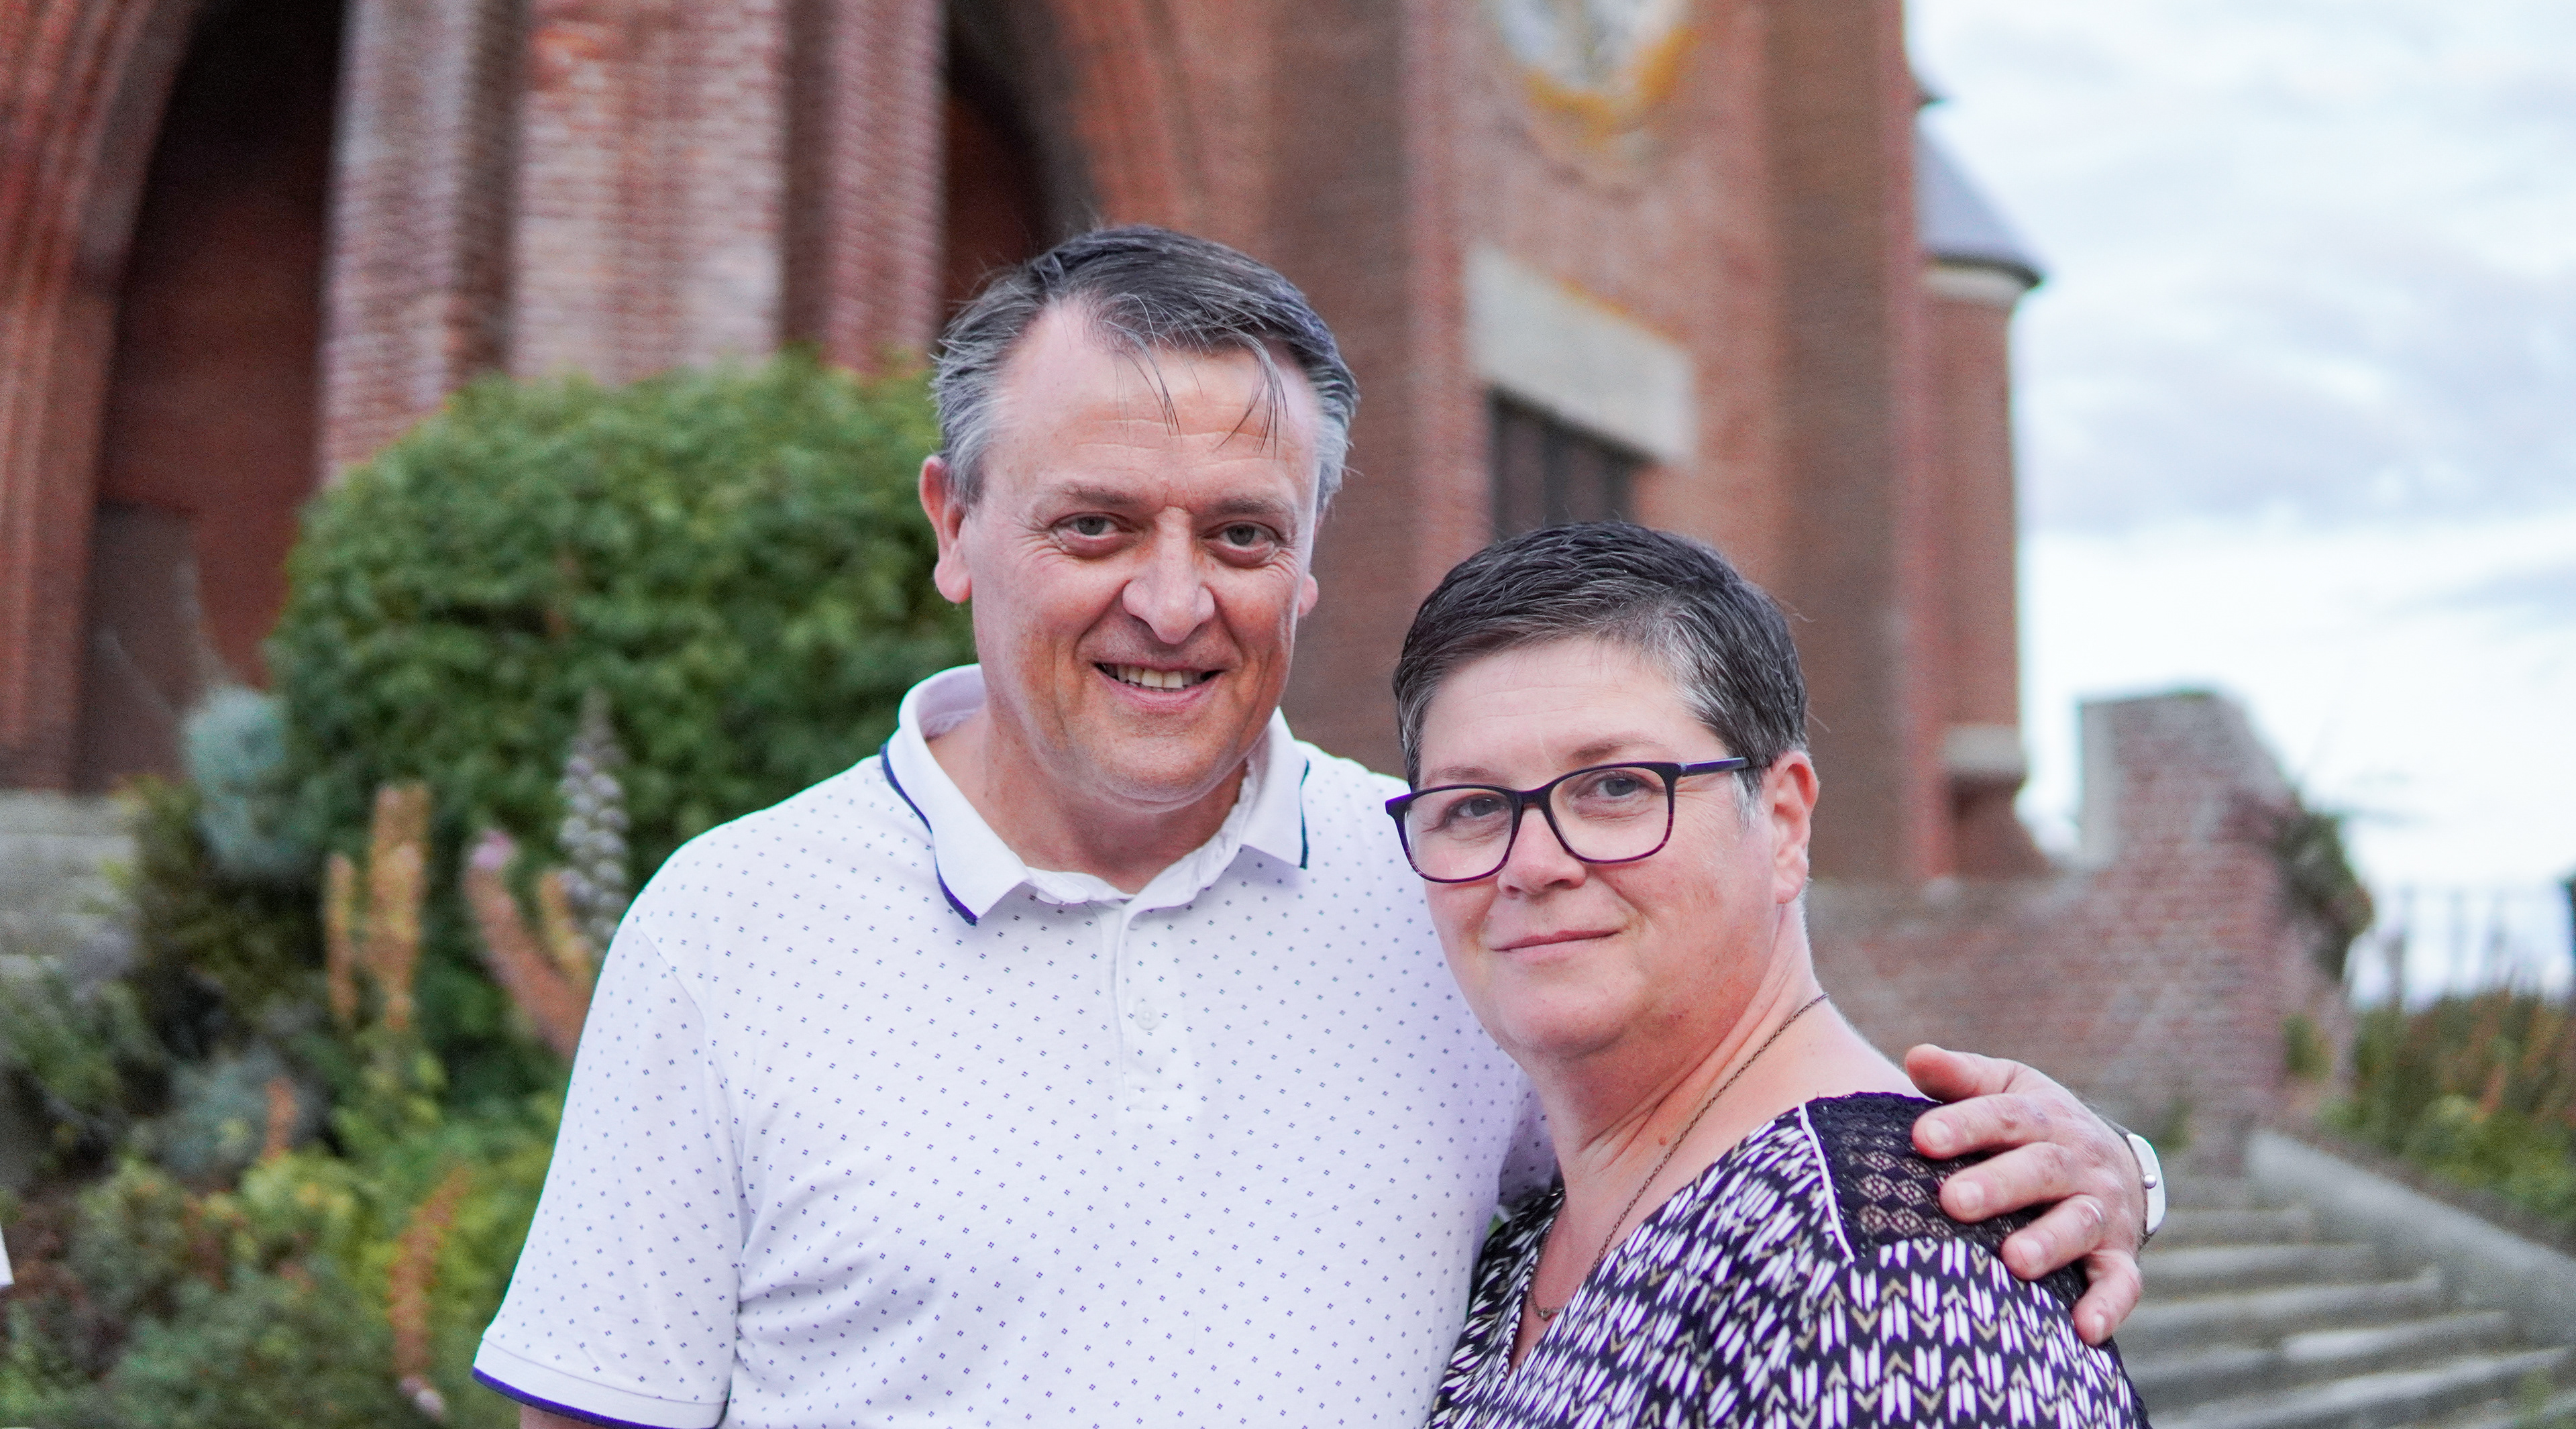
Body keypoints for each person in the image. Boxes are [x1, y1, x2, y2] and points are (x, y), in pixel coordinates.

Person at [474, 227, 2153, 1429]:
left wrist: (2080, 1180)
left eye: (1241, 534)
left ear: (1309, 563)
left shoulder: (1450, 885)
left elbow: (1729, 1122)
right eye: (1095, 524)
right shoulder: (736, 926)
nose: (1171, 601)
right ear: (955, 522)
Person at [1394, 521, 2144, 1426]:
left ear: (1783, 822)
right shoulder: (1530, 1242)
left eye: (1618, 787)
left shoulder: (1890, 1283)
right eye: (1474, 806)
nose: (1532, 864)